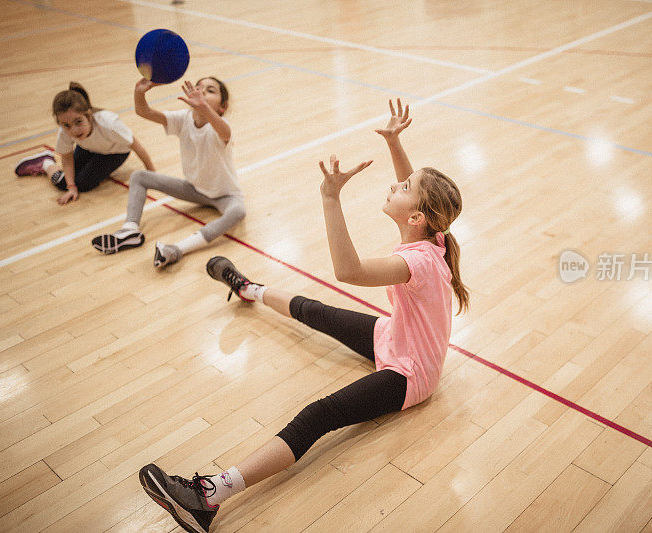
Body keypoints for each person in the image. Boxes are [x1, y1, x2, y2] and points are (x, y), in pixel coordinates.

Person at [138, 99, 468, 533]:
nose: (396, 183)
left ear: (415, 217)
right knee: (316, 311)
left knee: (319, 415)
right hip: (395, 336)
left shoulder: (419, 261)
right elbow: (416, 198)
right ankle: (247, 288)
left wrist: (331, 197)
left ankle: (208, 497)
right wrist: (394, 141)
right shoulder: (433, 233)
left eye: (403, 186)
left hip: (411, 372)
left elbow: (347, 271)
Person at [91, 77, 246, 268]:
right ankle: (130, 230)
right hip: (193, 189)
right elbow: (143, 111)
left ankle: (176, 249)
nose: (202, 92)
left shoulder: (221, 125)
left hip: (226, 196)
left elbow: (224, 133)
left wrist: (204, 107)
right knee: (139, 176)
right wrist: (139, 92)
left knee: (238, 211)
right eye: (198, 88)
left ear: (223, 106)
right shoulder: (183, 118)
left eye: (210, 90)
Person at [14, 82, 154, 205]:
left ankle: (46, 164)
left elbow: (137, 146)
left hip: (113, 153)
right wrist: (71, 187)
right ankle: (46, 161)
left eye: (78, 122)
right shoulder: (65, 131)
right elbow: (67, 157)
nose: (74, 130)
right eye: (66, 125)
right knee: (67, 184)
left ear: (88, 115)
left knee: (84, 184)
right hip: (87, 148)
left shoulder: (109, 124)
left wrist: (152, 175)